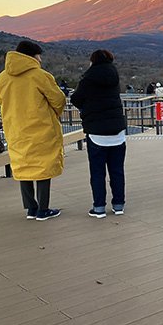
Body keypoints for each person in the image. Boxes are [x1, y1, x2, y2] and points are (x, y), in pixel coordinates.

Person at [0, 41, 66, 221]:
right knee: (43, 167)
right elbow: (58, 99)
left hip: (15, 128)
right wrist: (54, 114)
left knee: (23, 166)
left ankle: (31, 208)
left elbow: (1, 100)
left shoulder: (3, 77)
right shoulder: (40, 75)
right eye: (39, 55)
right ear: (33, 56)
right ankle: (43, 209)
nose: (40, 59)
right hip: (40, 127)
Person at [70, 50, 127, 218]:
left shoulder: (88, 79)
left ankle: (99, 207)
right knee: (117, 170)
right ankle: (118, 205)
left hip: (96, 132)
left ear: (92, 61)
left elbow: (76, 99)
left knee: (97, 172)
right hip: (117, 131)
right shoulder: (114, 77)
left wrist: (86, 109)